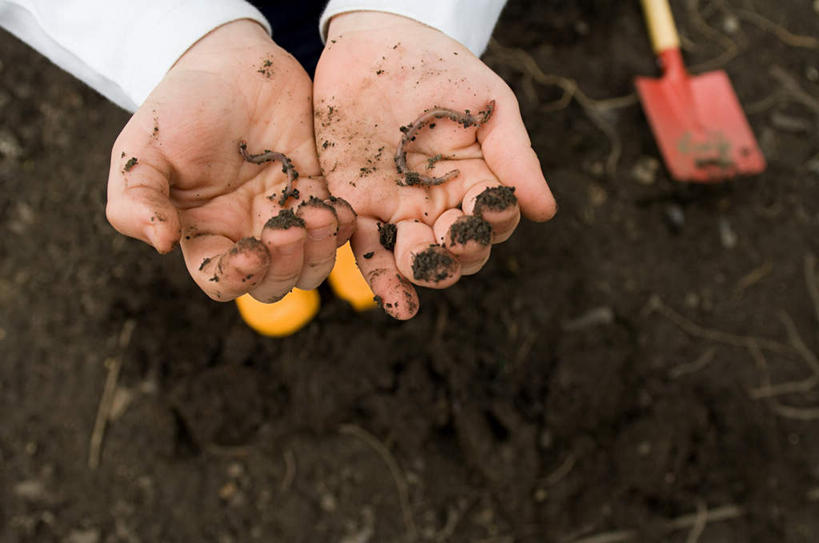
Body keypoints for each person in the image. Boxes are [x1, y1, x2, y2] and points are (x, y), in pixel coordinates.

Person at [0, 0, 556, 333]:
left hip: (381, 45)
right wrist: (185, 39)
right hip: (214, 55)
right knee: (267, 140)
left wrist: (400, 10)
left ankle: (357, 227)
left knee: (350, 129)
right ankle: (311, 248)